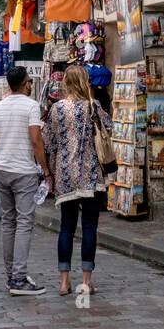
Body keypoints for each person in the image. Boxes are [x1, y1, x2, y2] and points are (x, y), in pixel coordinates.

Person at [43, 65, 113, 297]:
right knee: (90, 227)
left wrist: (50, 170)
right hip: (90, 174)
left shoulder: (56, 109)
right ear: (85, 82)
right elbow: (108, 130)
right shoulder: (93, 107)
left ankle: (64, 282)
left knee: (66, 226)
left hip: (65, 175)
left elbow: (49, 142)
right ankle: (86, 281)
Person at [0, 66, 50, 295]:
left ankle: (11, 274)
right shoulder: (31, 106)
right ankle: (18, 277)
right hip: (22, 170)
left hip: (2, 167)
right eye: (30, 83)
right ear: (25, 84)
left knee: (8, 222)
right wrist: (45, 169)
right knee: (24, 222)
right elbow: (36, 139)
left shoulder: (0, 106)